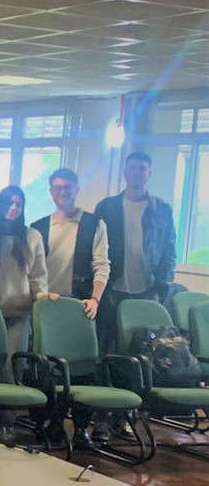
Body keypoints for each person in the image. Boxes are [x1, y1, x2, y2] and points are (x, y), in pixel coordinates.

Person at [95, 151, 177, 353]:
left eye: (142, 168)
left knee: (146, 348)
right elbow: (94, 247)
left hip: (148, 288)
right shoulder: (106, 207)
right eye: (132, 167)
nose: (137, 172)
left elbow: (169, 251)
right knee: (107, 344)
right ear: (125, 172)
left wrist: (160, 287)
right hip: (112, 287)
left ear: (149, 173)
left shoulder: (162, 208)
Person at [0, 186, 48, 378]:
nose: (13, 208)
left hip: (19, 313)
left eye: (18, 205)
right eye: (9, 203)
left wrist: (42, 297)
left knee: (11, 371)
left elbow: (38, 275)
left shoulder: (32, 236)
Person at [30, 168, 109, 317]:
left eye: (67, 187)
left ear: (77, 190)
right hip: (45, 302)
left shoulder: (94, 224)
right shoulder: (37, 228)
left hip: (81, 304)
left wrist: (95, 300)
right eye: (57, 188)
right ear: (51, 191)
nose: (62, 192)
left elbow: (101, 266)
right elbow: (32, 271)